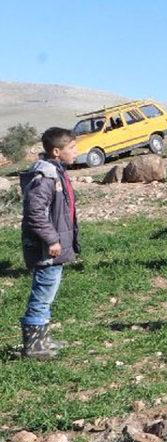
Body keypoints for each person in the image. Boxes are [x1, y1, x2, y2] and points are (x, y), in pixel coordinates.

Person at [18, 128, 80, 360]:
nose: (77, 151)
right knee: (42, 294)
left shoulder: (56, 172)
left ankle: (41, 339)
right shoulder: (46, 176)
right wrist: (52, 239)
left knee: (47, 293)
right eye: (72, 148)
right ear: (56, 151)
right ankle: (34, 346)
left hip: (53, 246)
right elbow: (35, 213)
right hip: (48, 248)